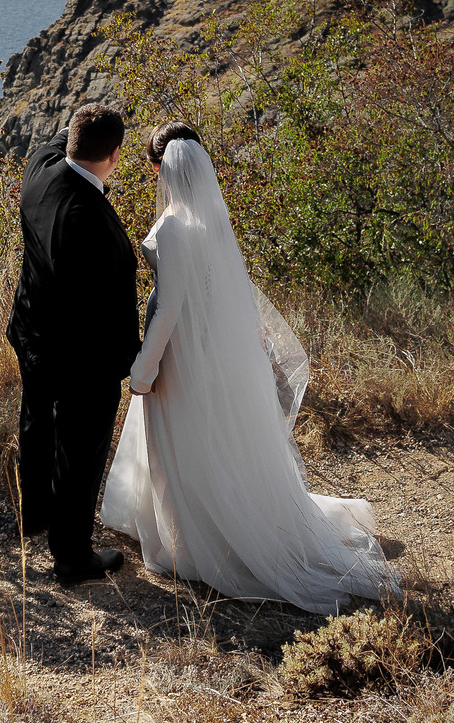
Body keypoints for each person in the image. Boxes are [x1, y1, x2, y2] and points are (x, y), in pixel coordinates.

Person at [100, 132, 399, 614]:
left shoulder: (174, 228)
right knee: (214, 440)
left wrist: (142, 370)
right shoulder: (213, 221)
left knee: (183, 440)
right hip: (215, 351)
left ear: (160, 169)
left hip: (180, 356)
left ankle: (195, 539)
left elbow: (170, 308)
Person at [5, 102, 139, 585]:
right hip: (79, 358)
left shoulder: (40, 174)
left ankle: (37, 517)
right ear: (116, 155)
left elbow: (55, 142)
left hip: (31, 333)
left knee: (38, 424)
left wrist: (82, 127)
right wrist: (129, 362)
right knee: (80, 451)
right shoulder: (91, 221)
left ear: (72, 141)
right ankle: (72, 558)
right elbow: (107, 310)